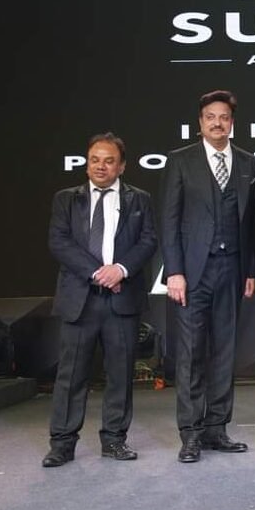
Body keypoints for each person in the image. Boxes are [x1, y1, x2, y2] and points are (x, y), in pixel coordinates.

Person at [161, 90, 255, 462]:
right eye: (210, 117)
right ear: (200, 122)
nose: (217, 123)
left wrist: (251, 270)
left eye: (223, 117)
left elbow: (253, 226)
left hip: (232, 269)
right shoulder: (181, 161)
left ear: (231, 122)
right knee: (191, 354)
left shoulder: (250, 164)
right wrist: (174, 271)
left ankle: (216, 429)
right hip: (193, 272)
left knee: (224, 351)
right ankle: (190, 433)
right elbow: (169, 220)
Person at [43, 132, 157, 467]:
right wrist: (98, 273)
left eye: (109, 161)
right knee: (71, 375)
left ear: (122, 166)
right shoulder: (66, 199)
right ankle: (62, 443)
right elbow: (59, 242)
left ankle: (114, 440)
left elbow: (148, 241)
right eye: (95, 160)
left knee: (120, 374)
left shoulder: (140, 199)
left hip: (122, 300)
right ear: (87, 164)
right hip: (81, 299)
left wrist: (120, 270)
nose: (100, 167)